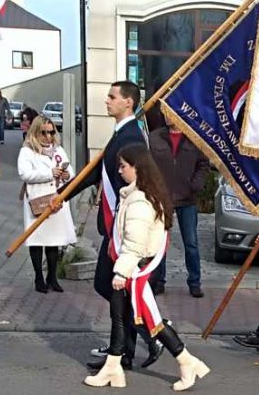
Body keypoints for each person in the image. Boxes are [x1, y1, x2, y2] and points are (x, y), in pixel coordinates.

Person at [83, 145, 210, 390]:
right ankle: (113, 368)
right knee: (120, 317)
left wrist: (121, 271)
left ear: (137, 168)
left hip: (132, 270)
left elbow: (134, 243)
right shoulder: (136, 194)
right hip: (129, 268)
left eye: (123, 166)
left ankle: (186, 361)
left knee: (150, 321)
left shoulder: (140, 201)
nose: (119, 171)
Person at [59, 81, 162, 370]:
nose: (106, 101)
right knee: (113, 288)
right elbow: (96, 174)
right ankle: (126, 349)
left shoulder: (131, 138)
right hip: (115, 224)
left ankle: (150, 334)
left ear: (128, 103)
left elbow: (135, 182)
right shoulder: (121, 133)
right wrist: (63, 196)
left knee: (109, 284)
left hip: (124, 226)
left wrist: (127, 226)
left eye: (112, 97)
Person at [149, 115, 210, 297]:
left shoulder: (194, 137)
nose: (168, 116)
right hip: (162, 198)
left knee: (191, 243)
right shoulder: (154, 137)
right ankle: (158, 281)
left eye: (171, 112)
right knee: (160, 243)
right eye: (165, 113)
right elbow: (147, 164)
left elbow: (204, 164)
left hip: (187, 198)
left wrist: (195, 185)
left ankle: (194, 282)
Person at [18, 115, 76, 293]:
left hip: (56, 200)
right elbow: (25, 174)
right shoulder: (27, 151)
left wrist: (67, 175)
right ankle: (38, 277)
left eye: (51, 132)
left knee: (54, 241)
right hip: (37, 200)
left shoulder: (58, 149)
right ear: (35, 132)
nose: (48, 136)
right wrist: (50, 173)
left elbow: (71, 171)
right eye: (44, 132)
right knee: (37, 240)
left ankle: (52, 277)